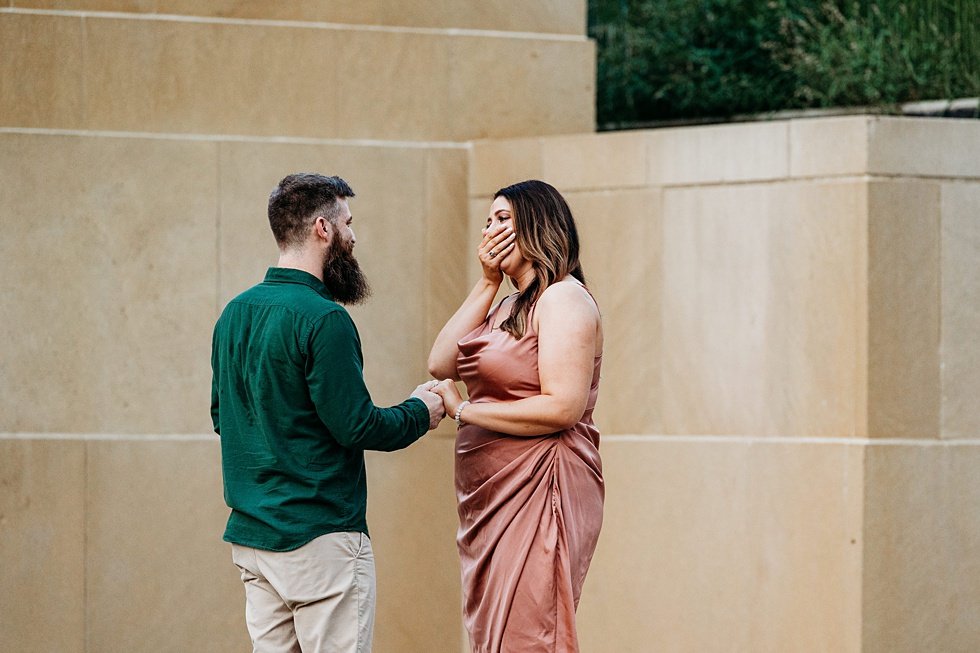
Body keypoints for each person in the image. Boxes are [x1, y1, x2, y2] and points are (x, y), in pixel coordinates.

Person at [210, 172, 445, 653]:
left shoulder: (233, 313)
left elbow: (222, 417)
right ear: (323, 228)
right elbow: (357, 424)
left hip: (254, 542)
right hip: (321, 541)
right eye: (348, 223)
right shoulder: (325, 319)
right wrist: (424, 409)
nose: (354, 236)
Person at [428, 179, 604, 653]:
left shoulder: (563, 299)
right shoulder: (505, 304)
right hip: (486, 500)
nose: (490, 230)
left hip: (538, 487)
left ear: (539, 224)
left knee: (530, 633)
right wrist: (486, 282)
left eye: (503, 219)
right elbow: (440, 362)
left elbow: (562, 406)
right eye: (487, 221)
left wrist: (466, 410)